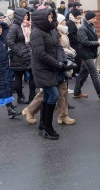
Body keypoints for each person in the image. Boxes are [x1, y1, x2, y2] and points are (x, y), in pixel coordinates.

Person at [30, 8, 70, 139]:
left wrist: (63, 61)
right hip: (42, 69)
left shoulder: (51, 30)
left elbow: (57, 46)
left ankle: (43, 126)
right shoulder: (37, 32)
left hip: (51, 67)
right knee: (53, 94)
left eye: (51, 16)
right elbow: (40, 54)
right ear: (42, 18)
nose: (51, 19)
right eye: (48, 17)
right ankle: (47, 126)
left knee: (48, 96)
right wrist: (57, 64)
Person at [73, 11, 100, 101]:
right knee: (94, 74)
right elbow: (84, 42)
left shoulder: (90, 26)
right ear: (89, 18)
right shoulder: (83, 28)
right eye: (94, 18)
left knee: (83, 74)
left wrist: (97, 40)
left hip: (89, 53)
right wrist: (97, 42)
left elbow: (90, 38)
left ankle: (77, 92)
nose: (96, 19)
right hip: (86, 54)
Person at [7, 8, 35, 104]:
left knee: (32, 75)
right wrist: (19, 52)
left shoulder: (30, 25)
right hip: (19, 56)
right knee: (19, 76)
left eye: (27, 15)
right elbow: (10, 41)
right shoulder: (14, 27)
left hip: (30, 53)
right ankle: (20, 97)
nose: (26, 17)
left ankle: (32, 95)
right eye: (24, 15)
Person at [66, 8, 82, 77]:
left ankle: (77, 71)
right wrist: (78, 40)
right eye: (79, 15)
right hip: (73, 44)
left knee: (78, 58)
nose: (80, 17)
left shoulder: (76, 22)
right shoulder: (70, 23)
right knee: (76, 58)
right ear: (75, 15)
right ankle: (75, 72)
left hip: (77, 43)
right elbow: (71, 34)